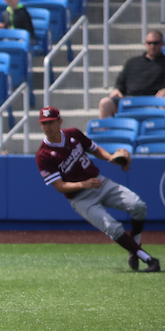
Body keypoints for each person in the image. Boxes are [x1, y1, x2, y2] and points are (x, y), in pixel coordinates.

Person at [34, 106, 160, 272]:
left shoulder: (73, 134)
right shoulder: (43, 155)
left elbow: (95, 149)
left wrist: (111, 158)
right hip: (80, 197)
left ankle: (134, 244)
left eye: (51, 122)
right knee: (113, 228)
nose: (47, 126)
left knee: (138, 206)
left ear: (60, 121)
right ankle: (149, 259)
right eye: (44, 123)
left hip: (100, 183)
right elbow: (60, 187)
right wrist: (82, 184)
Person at [98, 31, 165, 118]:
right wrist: (117, 89)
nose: (152, 46)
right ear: (145, 43)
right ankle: (105, 131)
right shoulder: (133, 62)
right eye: (149, 43)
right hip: (130, 98)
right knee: (105, 103)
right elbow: (121, 81)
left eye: (155, 43)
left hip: (156, 100)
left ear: (162, 43)